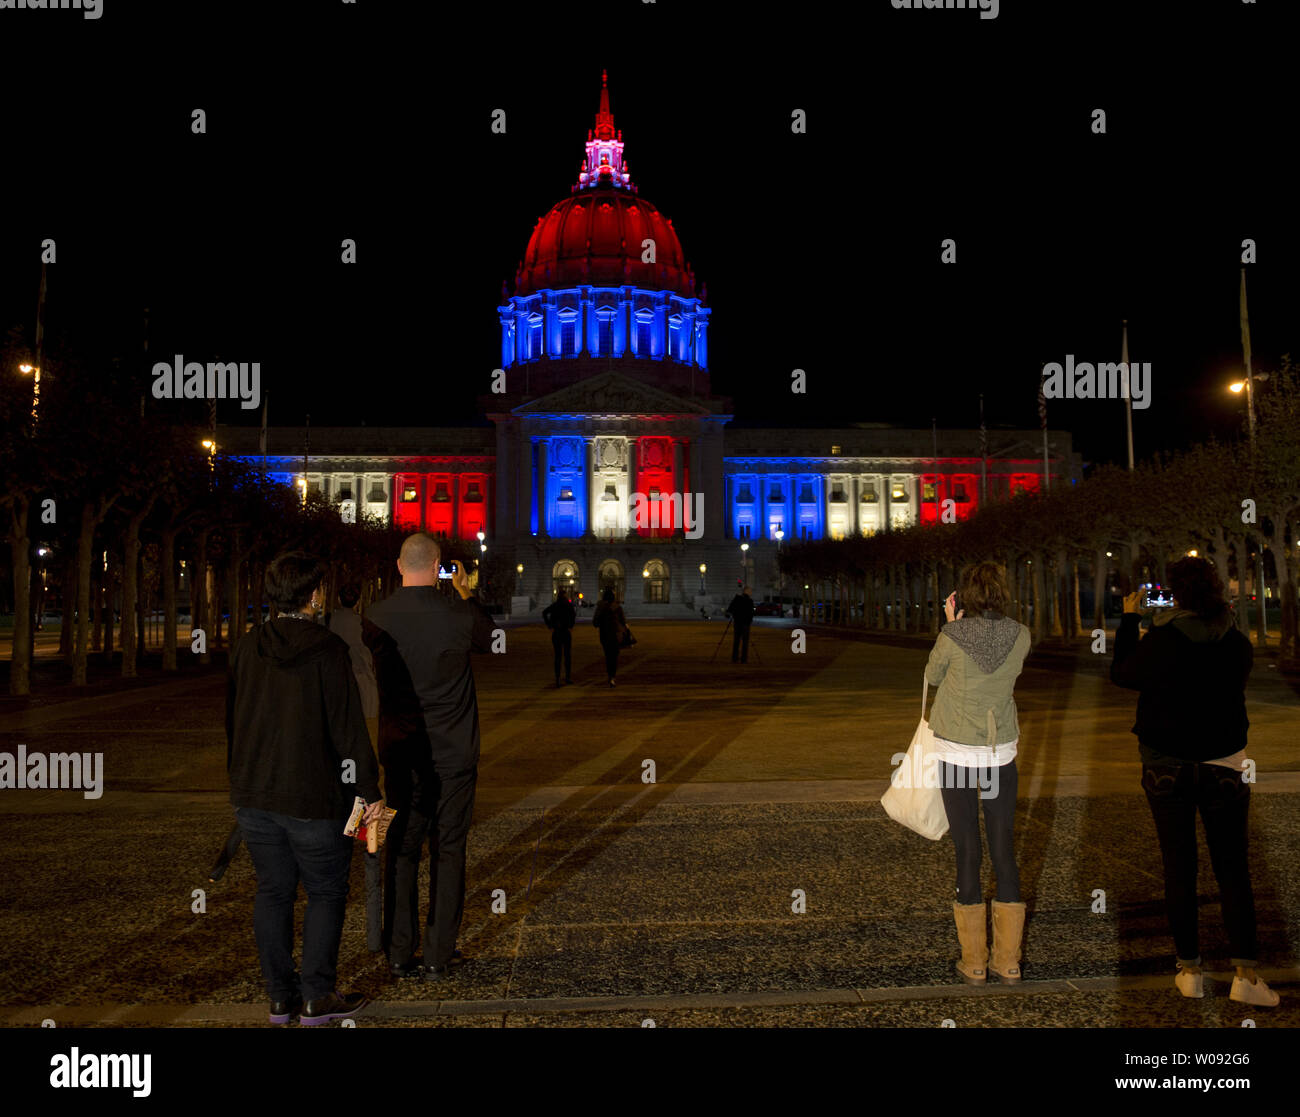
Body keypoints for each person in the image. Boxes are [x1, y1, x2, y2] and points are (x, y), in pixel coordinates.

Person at [1111, 557, 1279, 1006]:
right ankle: (1245, 975)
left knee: (1179, 866)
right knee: (1233, 869)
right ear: (1218, 591)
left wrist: (1131, 618)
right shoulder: (1236, 642)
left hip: (1165, 764)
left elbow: (1122, 674)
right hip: (1224, 762)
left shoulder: (1162, 640)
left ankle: (1190, 970)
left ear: (1177, 595)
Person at [226, 551, 384, 1026]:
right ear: (314, 594)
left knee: (272, 892)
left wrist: (242, 781)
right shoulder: (327, 649)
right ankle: (317, 995)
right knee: (325, 892)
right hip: (315, 797)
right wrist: (369, 794)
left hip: (256, 795)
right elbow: (349, 731)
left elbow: (234, 722)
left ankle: (280, 998)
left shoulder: (247, 646)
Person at [362, 533, 495, 982]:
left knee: (401, 850)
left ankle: (400, 952)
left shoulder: (375, 616)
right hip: (453, 753)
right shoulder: (458, 614)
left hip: (401, 753)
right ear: (439, 564)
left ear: (400, 566)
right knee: (449, 848)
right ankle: (439, 953)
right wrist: (464, 590)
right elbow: (490, 636)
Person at [924, 562, 1031, 985]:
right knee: (1003, 850)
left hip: (956, 756)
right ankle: (1008, 961)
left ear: (965, 596)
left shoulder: (953, 635)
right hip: (999, 754)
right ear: (1003, 593)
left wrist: (950, 625)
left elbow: (932, 676)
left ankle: (972, 962)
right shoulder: (1020, 635)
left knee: (968, 850)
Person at [329, 583, 379, 748]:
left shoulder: (327, 622)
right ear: (358, 602)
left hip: (336, 683)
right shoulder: (365, 624)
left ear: (338, 599)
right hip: (364, 683)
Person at [592, 587, 628, 687]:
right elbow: (623, 622)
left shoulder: (600, 607)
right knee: (614, 657)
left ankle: (610, 676)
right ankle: (612, 677)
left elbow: (595, 623)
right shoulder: (618, 607)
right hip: (616, 635)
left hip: (604, 635)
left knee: (608, 656)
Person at [542, 587, 576, 687]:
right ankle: (567, 677)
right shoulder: (568, 605)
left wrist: (549, 625)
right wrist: (571, 626)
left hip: (556, 632)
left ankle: (557, 678)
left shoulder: (555, 605)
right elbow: (573, 615)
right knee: (567, 656)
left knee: (558, 656)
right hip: (566, 632)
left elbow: (544, 613)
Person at [725, 584, 756, 663]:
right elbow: (751, 613)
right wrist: (749, 621)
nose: (751, 592)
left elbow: (730, 609)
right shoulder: (749, 601)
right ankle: (744, 659)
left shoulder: (737, 599)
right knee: (745, 642)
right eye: (750, 591)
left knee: (736, 641)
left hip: (737, 623)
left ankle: (735, 658)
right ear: (746, 591)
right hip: (745, 624)